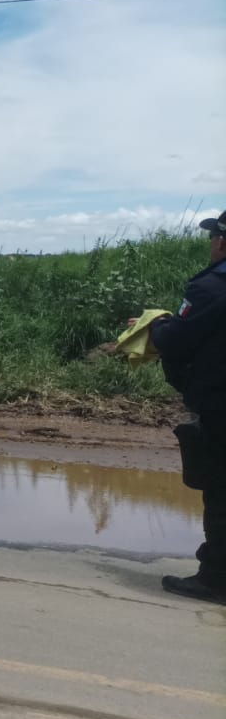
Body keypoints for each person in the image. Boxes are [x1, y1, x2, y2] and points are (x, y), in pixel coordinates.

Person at [150, 208, 226, 603]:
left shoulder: (212, 287)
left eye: (215, 236)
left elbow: (177, 339)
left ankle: (215, 579)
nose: (213, 243)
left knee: (221, 491)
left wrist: (156, 327)